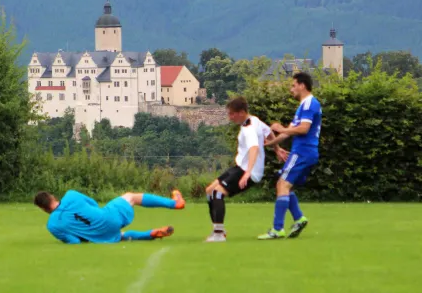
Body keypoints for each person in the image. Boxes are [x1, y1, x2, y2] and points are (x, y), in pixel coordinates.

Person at [204, 96, 287, 242]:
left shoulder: (249, 129)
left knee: (217, 193)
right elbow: (268, 132)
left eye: (232, 114)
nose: (230, 118)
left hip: (247, 171)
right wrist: (277, 148)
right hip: (240, 167)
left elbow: (254, 148)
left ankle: (218, 234)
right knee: (210, 191)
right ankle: (219, 230)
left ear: (241, 112)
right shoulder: (254, 120)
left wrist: (247, 173)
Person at [258, 72, 322, 240]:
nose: (291, 89)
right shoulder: (303, 106)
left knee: (282, 185)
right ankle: (299, 219)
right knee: (285, 185)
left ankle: (277, 229)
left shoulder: (309, 104)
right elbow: (289, 132)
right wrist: (270, 144)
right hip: (304, 152)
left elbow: (303, 129)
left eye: (293, 85)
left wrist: (281, 129)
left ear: (302, 85)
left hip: (303, 152)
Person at [34, 189, 186, 244]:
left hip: (99, 236)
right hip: (107, 216)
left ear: (43, 208)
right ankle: (175, 204)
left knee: (119, 236)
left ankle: (150, 234)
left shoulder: (52, 225)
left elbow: (74, 241)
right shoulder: (71, 195)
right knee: (130, 197)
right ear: (52, 197)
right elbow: (93, 203)